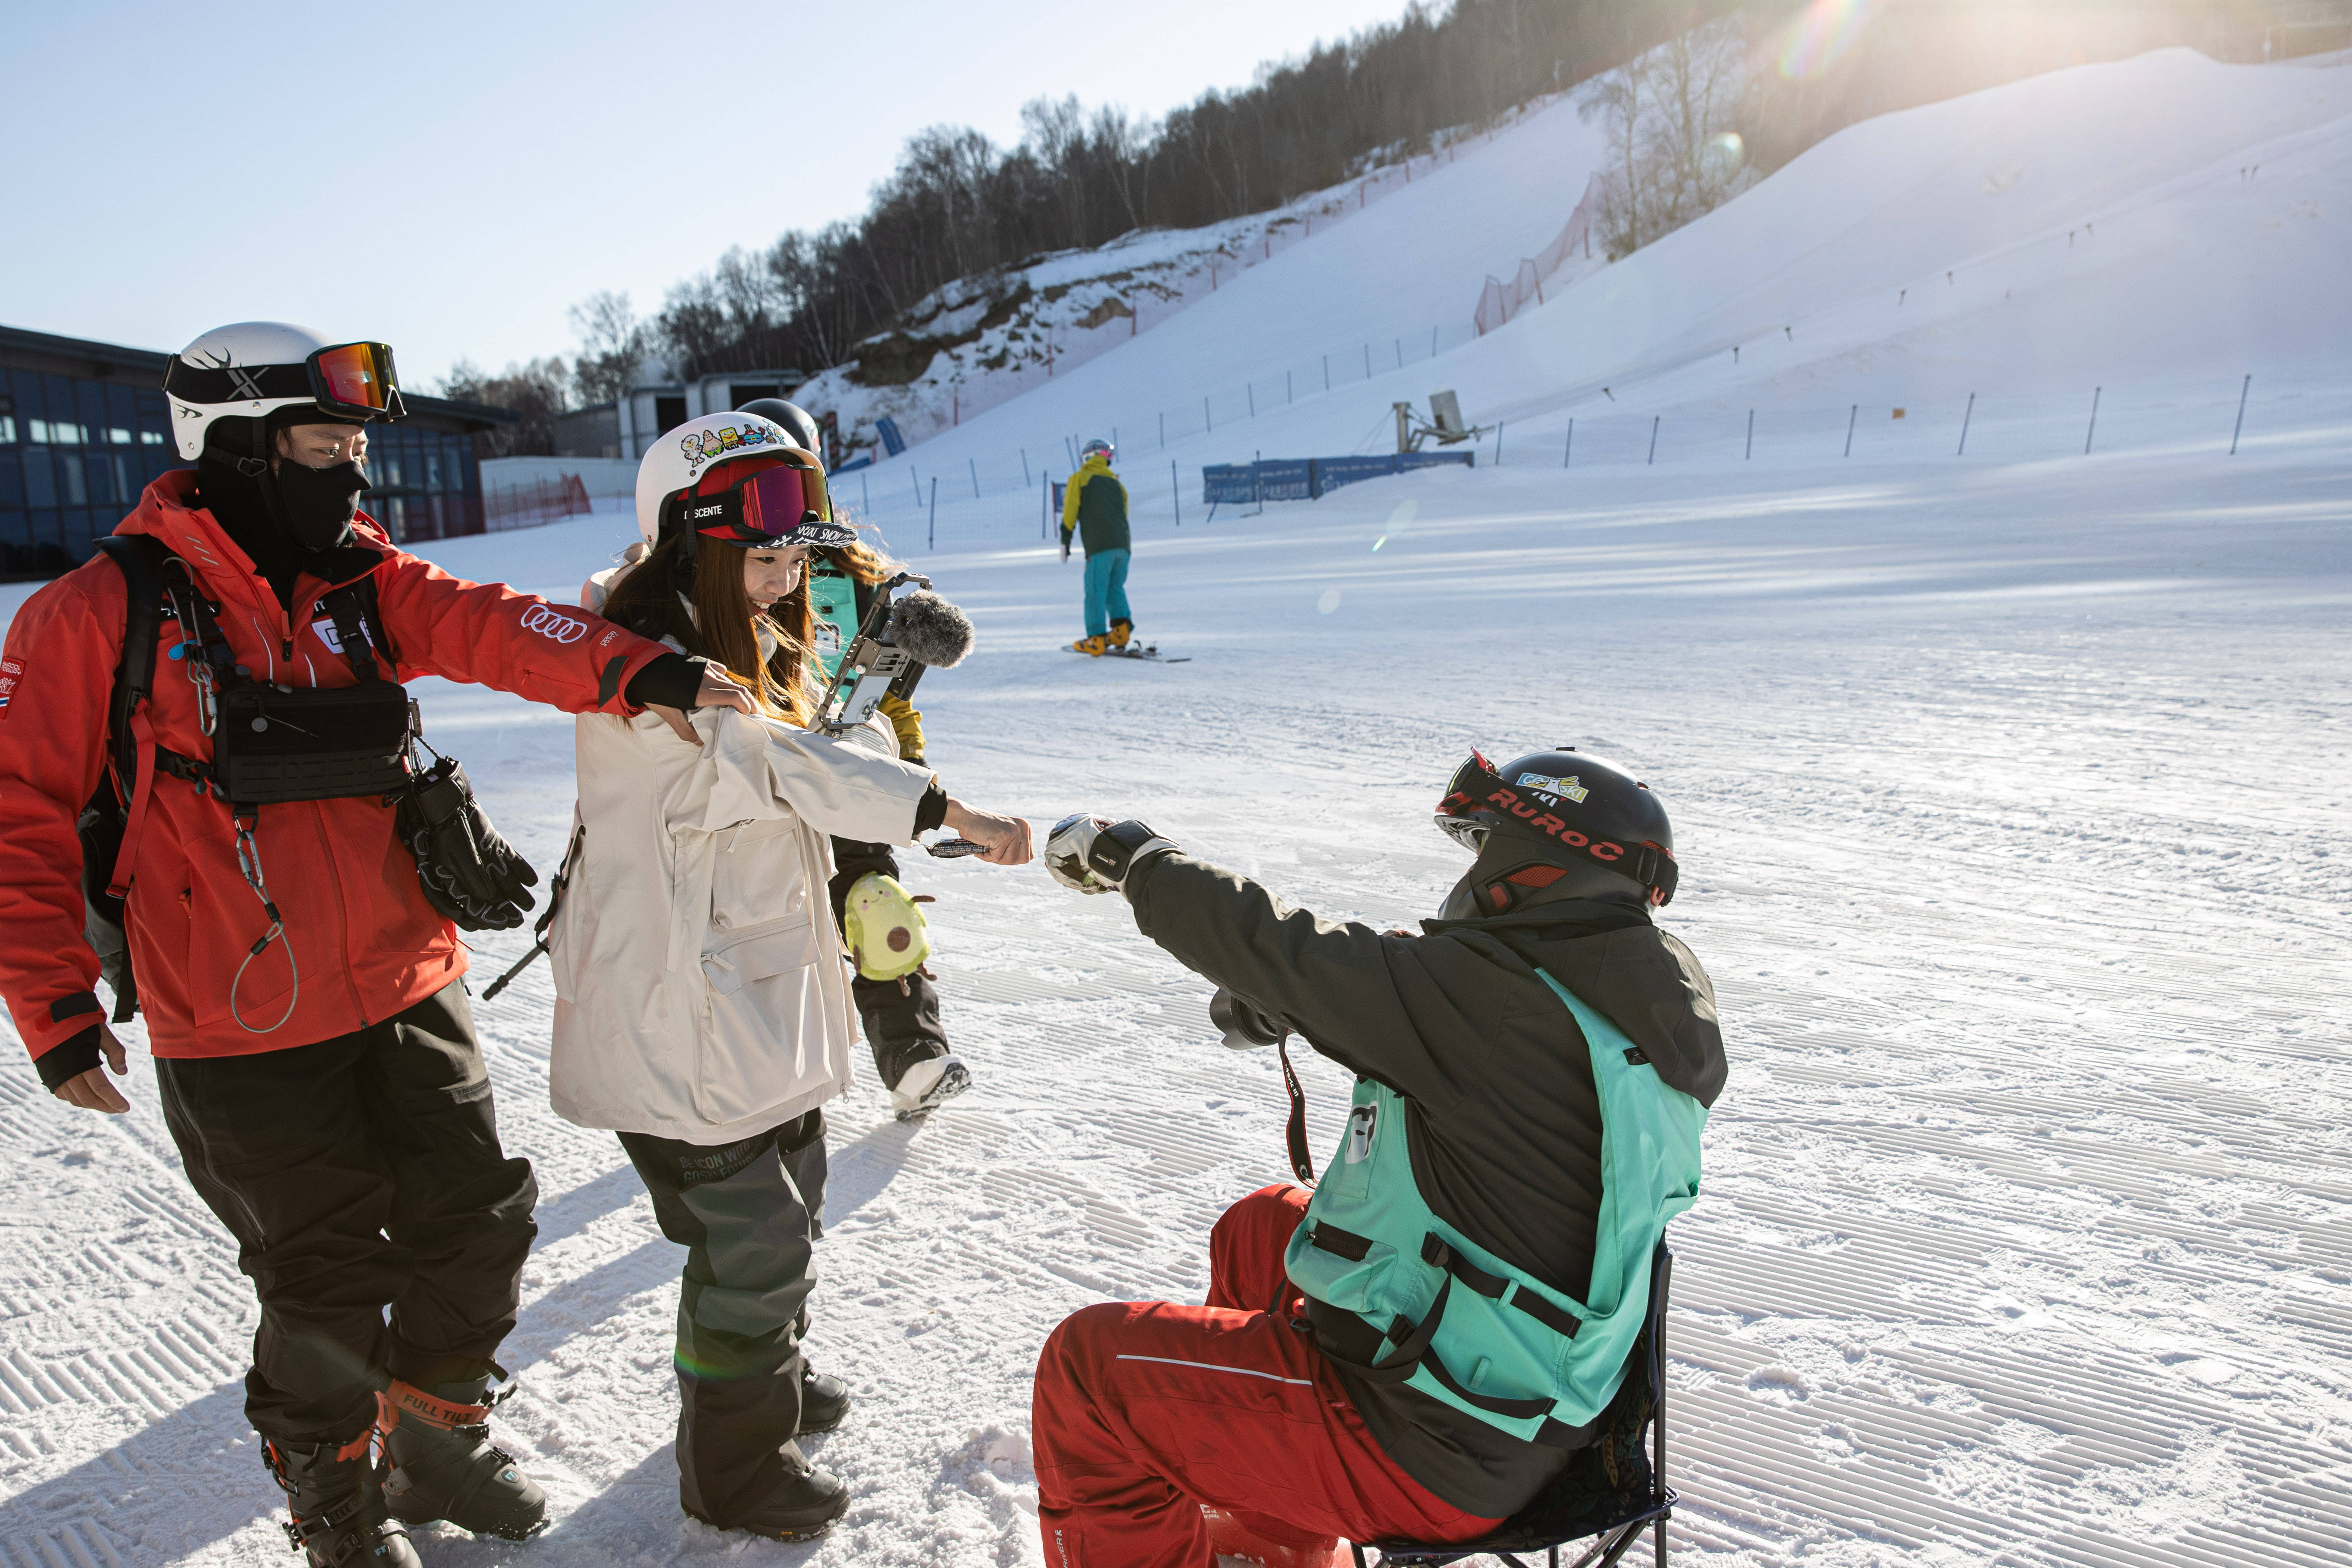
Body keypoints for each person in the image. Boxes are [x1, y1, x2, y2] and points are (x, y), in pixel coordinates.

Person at [0, 323, 761, 1567]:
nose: (350, 476)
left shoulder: (362, 581)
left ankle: (437, 1434)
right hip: (235, 1020)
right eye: (322, 446)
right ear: (241, 449)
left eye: (356, 448)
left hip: (410, 983)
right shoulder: (96, 613)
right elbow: (17, 813)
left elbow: (494, 623)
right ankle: (332, 1503)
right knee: (325, 1281)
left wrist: (644, 671)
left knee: (481, 1222)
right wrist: (55, 1007)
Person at [1031, 749, 1727, 1568]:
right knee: (1263, 1229)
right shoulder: (1621, 1013)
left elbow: (1292, 950)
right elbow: (1425, 1016)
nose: (1469, 879)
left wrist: (1138, 860)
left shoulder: (1491, 1005)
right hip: (1532, 1405)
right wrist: (1311, 1006)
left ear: (1534, 862)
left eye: (1484, 847)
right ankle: (1275, 1550)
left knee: (1092, 1373)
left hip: (1429, 1446)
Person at [556, 411, 1033, 1542]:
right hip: (677, 999)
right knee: (751, 1236)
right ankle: (734, 1463)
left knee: (792, 1193)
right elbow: (784, 763)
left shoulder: (747, 631)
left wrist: (879, 684)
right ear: (689, 545)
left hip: (742, 980)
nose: (787, 579)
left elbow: (822, 730)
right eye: (765, 558)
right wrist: (942, 809)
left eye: (793, 556)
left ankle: (757, 1367)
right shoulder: (651, 669)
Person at [741, 397, 969, 1117]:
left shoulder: (858, 573)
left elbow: (890, 692)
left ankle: (915, 1060)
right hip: (753, 780)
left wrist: (907, 769)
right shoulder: (714, 572)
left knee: (876, 907)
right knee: (752, 933)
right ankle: (741, 1089)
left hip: (844, 766)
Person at [1060, 437, 1134, 656]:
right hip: (1123, 546)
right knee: (1115, 588)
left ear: (1087, 457)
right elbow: (1123, 514)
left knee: (1095, 591)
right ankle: (1121, 632)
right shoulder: (1118, 485)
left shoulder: (1080, 478)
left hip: (1099, 547)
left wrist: (1065, 539)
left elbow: (1071, 509)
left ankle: (1096, 639)